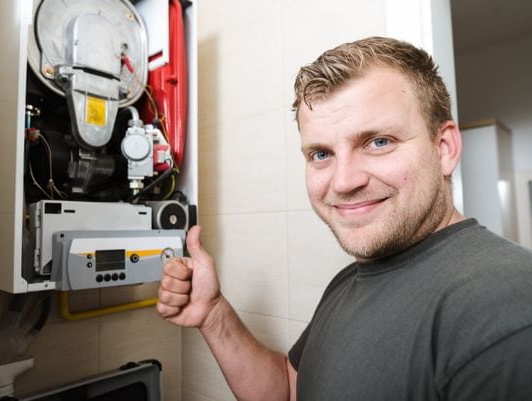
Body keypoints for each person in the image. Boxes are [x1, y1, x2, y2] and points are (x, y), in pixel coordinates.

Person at [156, 36, 532, 401]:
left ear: (444, 148)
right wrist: (213, 313)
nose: (344, 181)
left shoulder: (504, 306)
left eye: (378, 142)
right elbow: (288, 391)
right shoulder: (351, 279)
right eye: (321, 154)